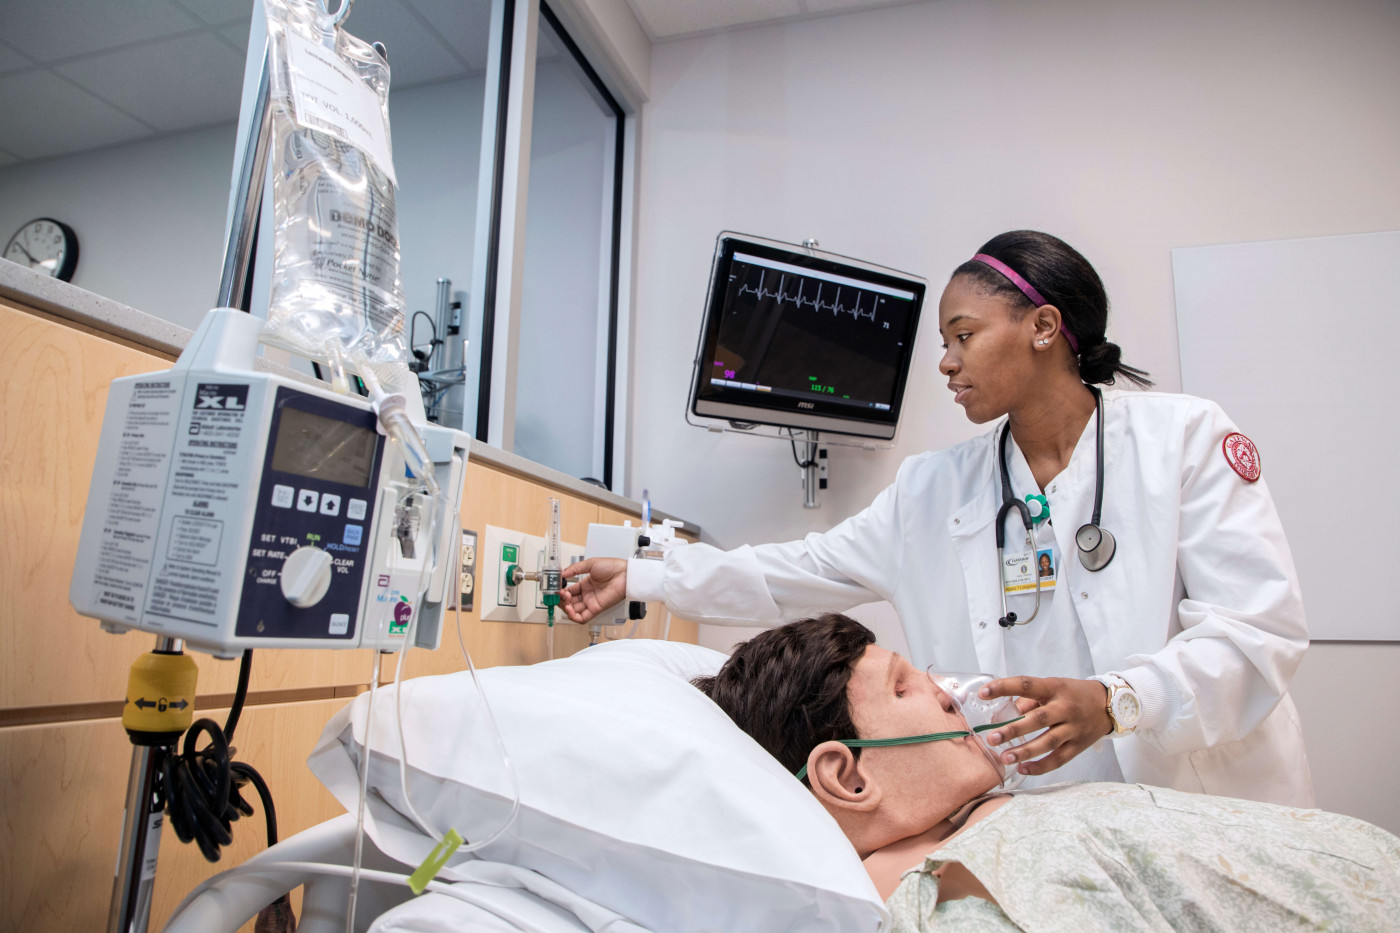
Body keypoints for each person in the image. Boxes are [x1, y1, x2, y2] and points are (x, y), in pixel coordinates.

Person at [563, 230, 1311, 805]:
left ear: (1044, 327)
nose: (947, 363)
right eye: (944, 345)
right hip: (1043, 815)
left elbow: (1257, 632)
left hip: (1203, 801)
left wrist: (1118, 700)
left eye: (964, 336)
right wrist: (643, 574)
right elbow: (795, 571)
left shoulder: (1186, 440)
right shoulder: (933, 489)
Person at [694, 615, 1399, 930]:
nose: (946, 691)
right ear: (848, 778)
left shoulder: (981, 835)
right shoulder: (952, 898)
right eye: (907, 687)